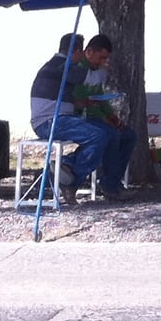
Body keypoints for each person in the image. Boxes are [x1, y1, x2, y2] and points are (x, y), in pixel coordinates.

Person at [30, 33, 110, 204]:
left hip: (52, 119)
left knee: (101, 135)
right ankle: (69, 175)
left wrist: (81, 103)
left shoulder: (54, 66)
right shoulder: (64, 66)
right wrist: (104, 68)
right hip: (51, 122)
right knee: (98, 136)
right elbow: (93, 79)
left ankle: (65, 167)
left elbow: (56, 98)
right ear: (77, 51)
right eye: (80, 53)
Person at [71, 34, 137, 202]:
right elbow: (83, 101)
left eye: (105, 59)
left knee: (129, 135)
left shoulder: (96, 72)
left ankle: (113, 181)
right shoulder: (79, 69)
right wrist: (106, 119)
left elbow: (100, 98)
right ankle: (110, 185)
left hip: (97, 116)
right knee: (112, 135)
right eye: (101, 57)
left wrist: (112, 117)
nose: (103, 62)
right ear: (89, 52)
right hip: (83, 117)